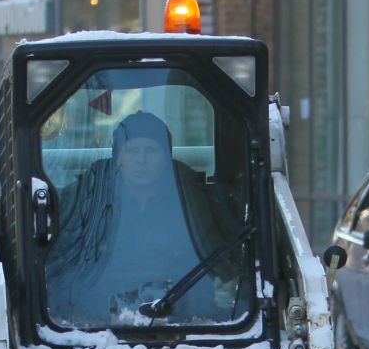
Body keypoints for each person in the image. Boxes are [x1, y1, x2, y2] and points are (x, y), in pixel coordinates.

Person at [44, 111, 241, 326]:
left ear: (166, 158)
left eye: (151, 150)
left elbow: (221, 268)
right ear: (118, 156)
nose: (141, 159)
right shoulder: (85, 201)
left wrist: (224, 290)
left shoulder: (197, 205)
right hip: (97, 325)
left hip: (183, 320)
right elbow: (61, 267)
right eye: (132, 150)